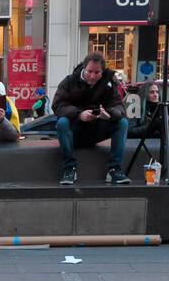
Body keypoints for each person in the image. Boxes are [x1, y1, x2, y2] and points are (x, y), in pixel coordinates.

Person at [51, 52, 130, 185]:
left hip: (98, 127)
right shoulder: (69, 81)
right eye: (89, 71)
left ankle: (114, 169)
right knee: (62, 122)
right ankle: (69, 169)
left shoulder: (109, 83)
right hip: (75, 129)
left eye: (97, 72)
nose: (92, 76)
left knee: (122, 123)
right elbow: (58, 105)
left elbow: (119, 107)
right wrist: (79, 115)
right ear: (84, 68)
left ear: (102, 71)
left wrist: (109, 114)